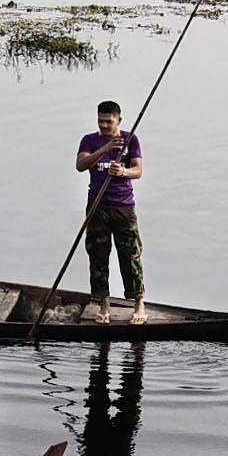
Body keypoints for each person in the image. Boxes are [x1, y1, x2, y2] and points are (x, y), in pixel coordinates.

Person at [75, 98, 146, 321]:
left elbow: (138, 170)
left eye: (109, 121)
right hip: (97, 206)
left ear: (119, 120)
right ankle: (103, 306)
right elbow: (81, 164)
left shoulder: (130, 139)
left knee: (130, 255)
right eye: (100, 121)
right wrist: (105, 149)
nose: (104, 125)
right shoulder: (89, 141)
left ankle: (138, 304)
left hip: (123, 207)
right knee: (97, 255)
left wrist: (123, 172)